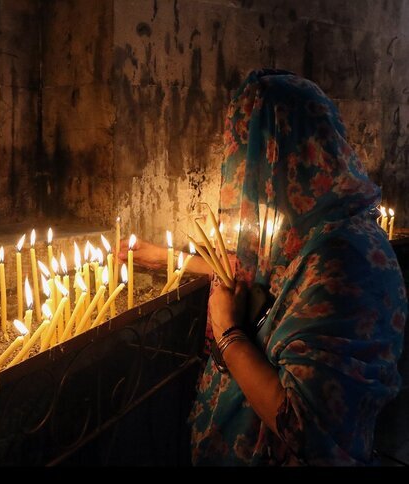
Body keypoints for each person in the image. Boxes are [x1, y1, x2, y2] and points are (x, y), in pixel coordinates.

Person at [118, 69, 406, 465]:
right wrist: (163, 258)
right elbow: (260, 278)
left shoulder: (342, 262)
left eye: (245, 151)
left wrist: (228, 334)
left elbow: (304, 429)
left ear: (275, 156)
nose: (240, 173)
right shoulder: (321, 226)